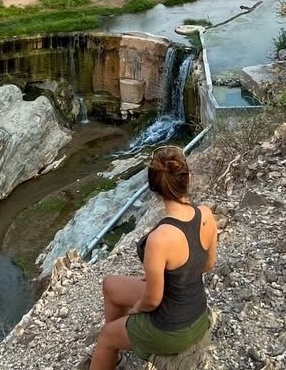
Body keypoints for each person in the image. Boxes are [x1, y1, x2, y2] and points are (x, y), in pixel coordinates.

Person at [89, 145, 217, 370]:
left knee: (106, 336)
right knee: (110, 285)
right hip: (196, 313)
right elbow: (208, 264)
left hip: (172, 329)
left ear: (153, 187)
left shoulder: (159, 239)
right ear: (189, 178)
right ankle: (125, 337)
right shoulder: (206, 214)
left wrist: (137, 307)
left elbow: (152, 300)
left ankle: (114, 342)